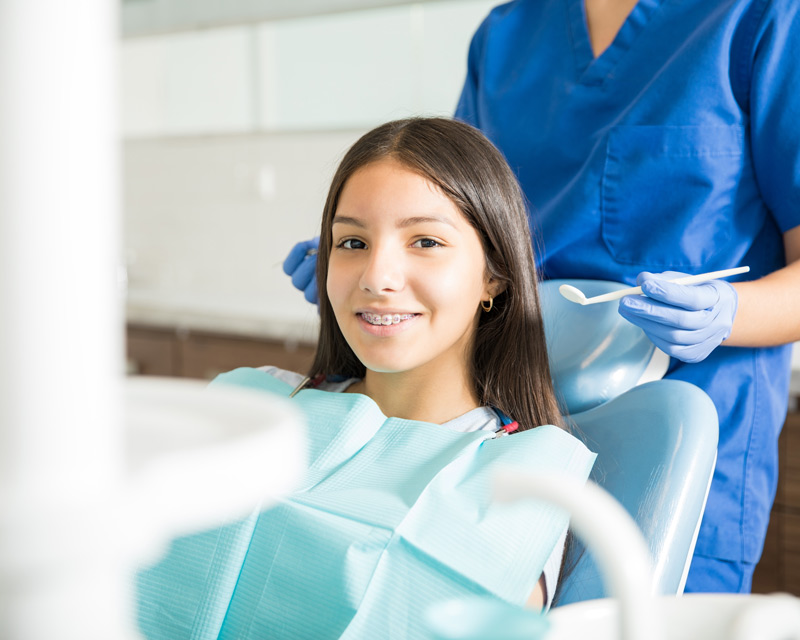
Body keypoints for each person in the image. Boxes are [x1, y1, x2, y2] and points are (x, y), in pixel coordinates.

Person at [284, 0, 800, 596]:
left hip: (685, 420)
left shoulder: (763, 19)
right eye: (350, 241)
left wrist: (732, 313)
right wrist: (378, 267)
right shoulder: (507, 36)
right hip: (491, 417)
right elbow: (450, 210)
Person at [136, 118, 595, 640]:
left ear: (492, 274)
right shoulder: (256, 403)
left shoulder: (517, 483)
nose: (377, 277)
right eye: (352, 243)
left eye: (424, 241)